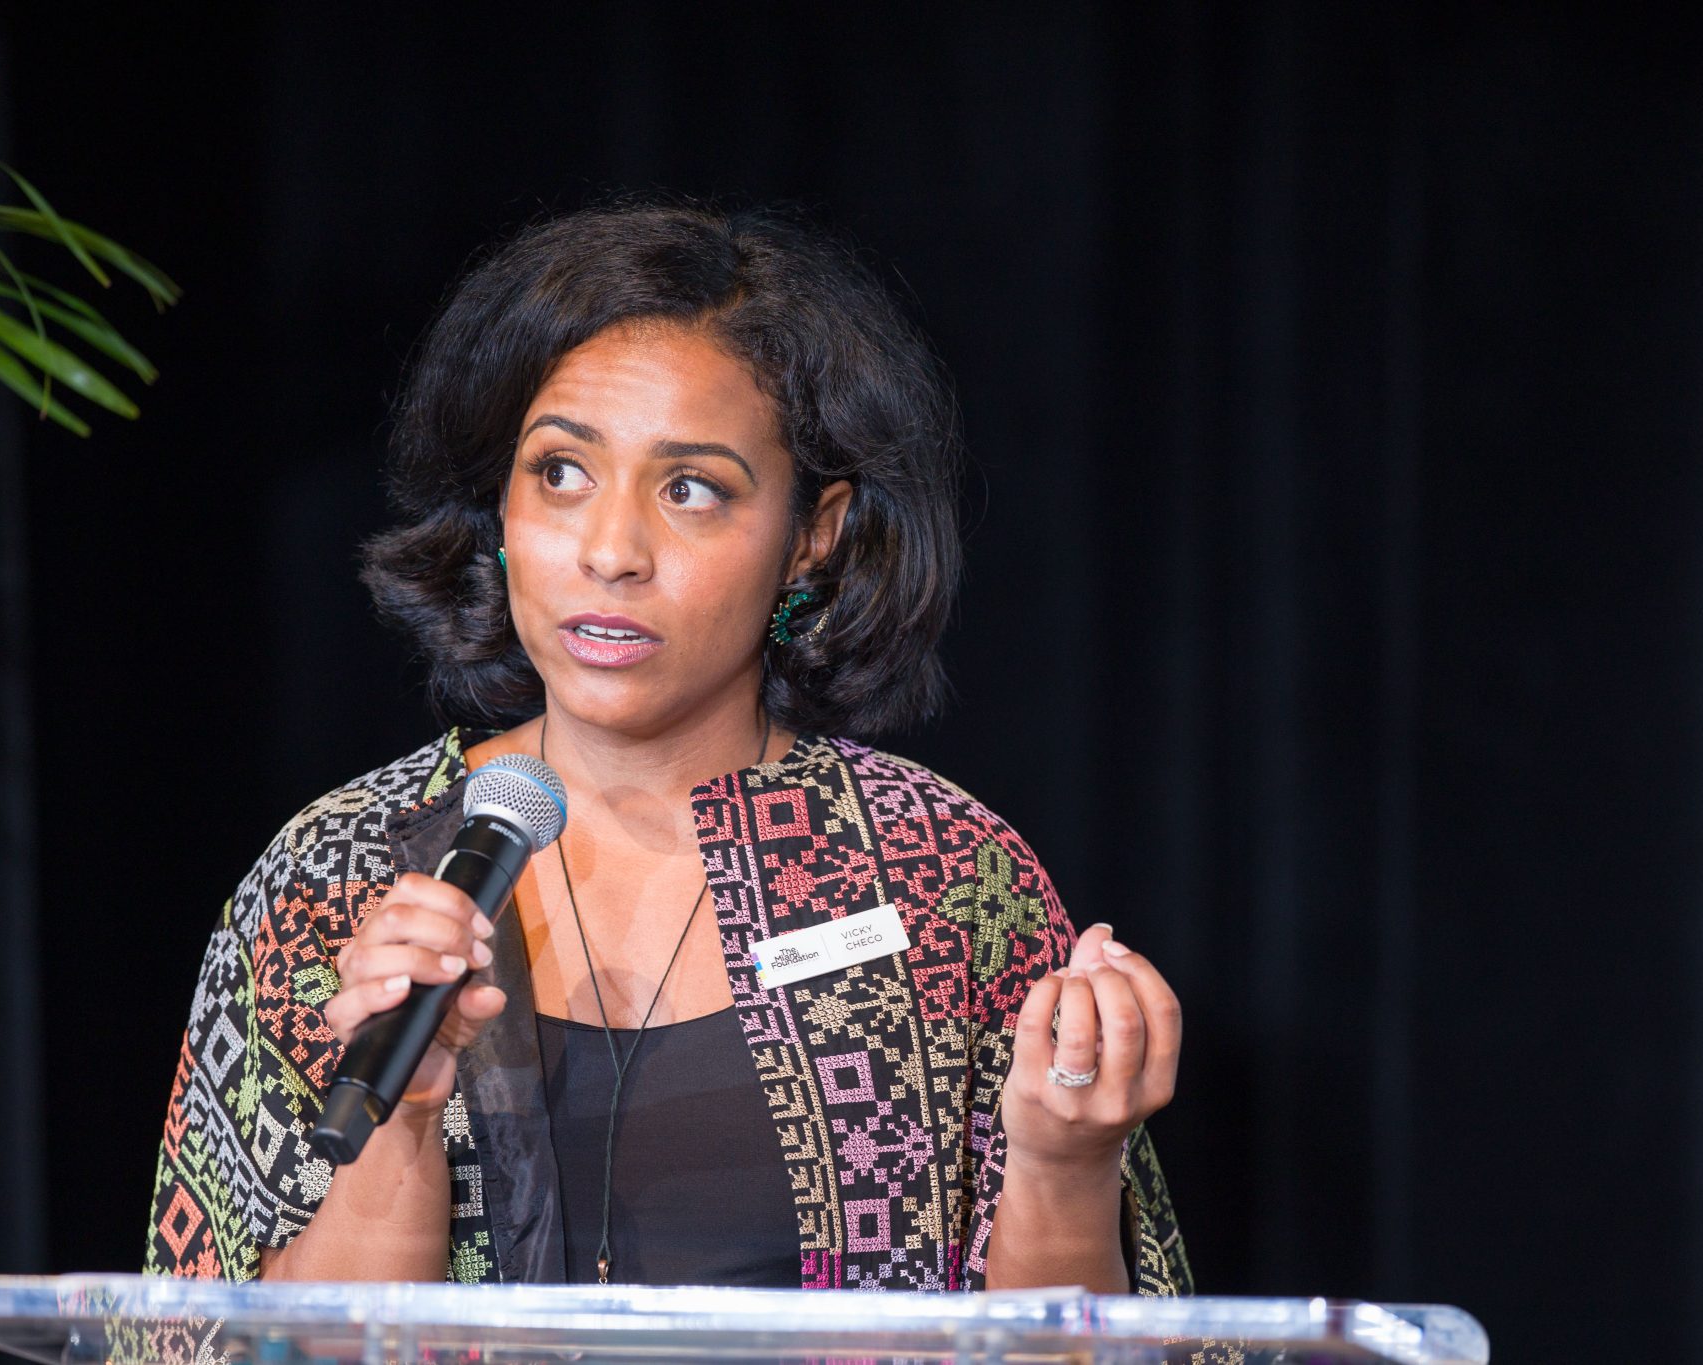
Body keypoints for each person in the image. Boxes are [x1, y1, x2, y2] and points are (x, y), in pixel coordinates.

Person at [144, 200, 1190, 1294]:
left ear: (813, 534)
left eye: (690, 489)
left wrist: (1067, 1168)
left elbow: (1076, 1346)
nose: (610, 551)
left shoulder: (938, 877)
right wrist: (402, 1120)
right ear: (498, 503)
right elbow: (231, 1340)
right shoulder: (334, 876)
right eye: (560, 472)